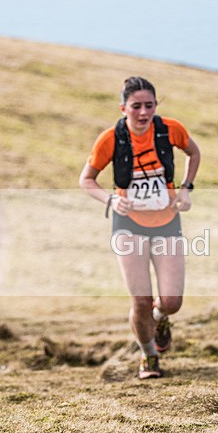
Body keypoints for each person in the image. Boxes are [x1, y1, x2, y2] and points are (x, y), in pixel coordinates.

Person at [79, 77, 201, 380]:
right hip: (128, 225)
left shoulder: (170, 129)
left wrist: (185, 189)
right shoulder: (110, 138)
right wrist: (109, 199)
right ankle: (148, 357)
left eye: (149, 105)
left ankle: (160, 320)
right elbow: (86, 180)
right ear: (123, 108)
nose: (143, 112)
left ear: (156, 105)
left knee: (171, 302)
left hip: (167, 221)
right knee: (141, 301)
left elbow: (194, 153)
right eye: (136, 106)